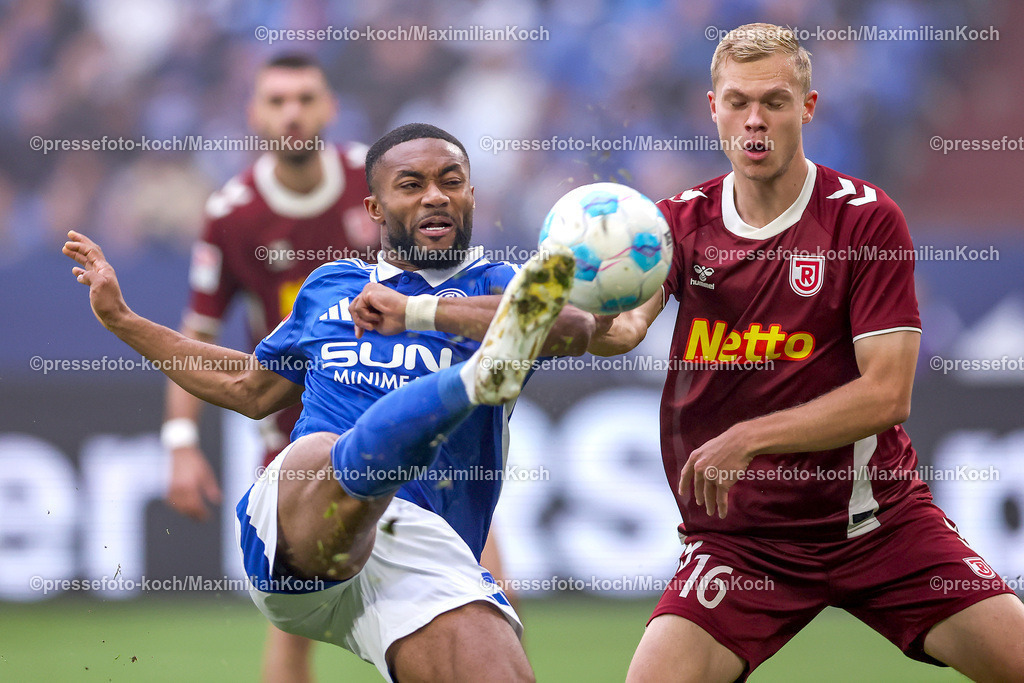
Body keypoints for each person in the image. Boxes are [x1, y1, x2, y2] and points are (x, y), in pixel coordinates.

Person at [65, 122, 594, 682]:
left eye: (450, 181)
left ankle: (464, 386)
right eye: (411, 184)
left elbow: (574, 327)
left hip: (421, 554)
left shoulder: (501, 285)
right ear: (374, 208)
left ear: (471, 195)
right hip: (303, 531)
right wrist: (123, 320)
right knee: (321, 450)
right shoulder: (332, 285)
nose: (435, 196)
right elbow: (249, 388)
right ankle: (468, 383)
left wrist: (415, 313)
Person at [589, 23, 1024, 682]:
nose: (754, 119)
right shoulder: (676, 222)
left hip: (879, 525)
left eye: (774, 101)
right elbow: (623, 330)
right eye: (737, 102)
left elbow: (887, 395)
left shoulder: (865, 219)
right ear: (713, 109)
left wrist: (748, 438)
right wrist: (584, 310)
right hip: (742, 543)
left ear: (808, 107)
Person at [161, 53, 377, 683]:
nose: (292, 113)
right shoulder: (233, 214)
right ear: (254, 114)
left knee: (491, 587)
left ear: (329, 107)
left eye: (305, 98)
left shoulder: (380, 182)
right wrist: (180, 442)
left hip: (403, 415)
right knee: (297, 620)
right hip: (299, 438)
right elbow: (197, 337)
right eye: (277, 100)